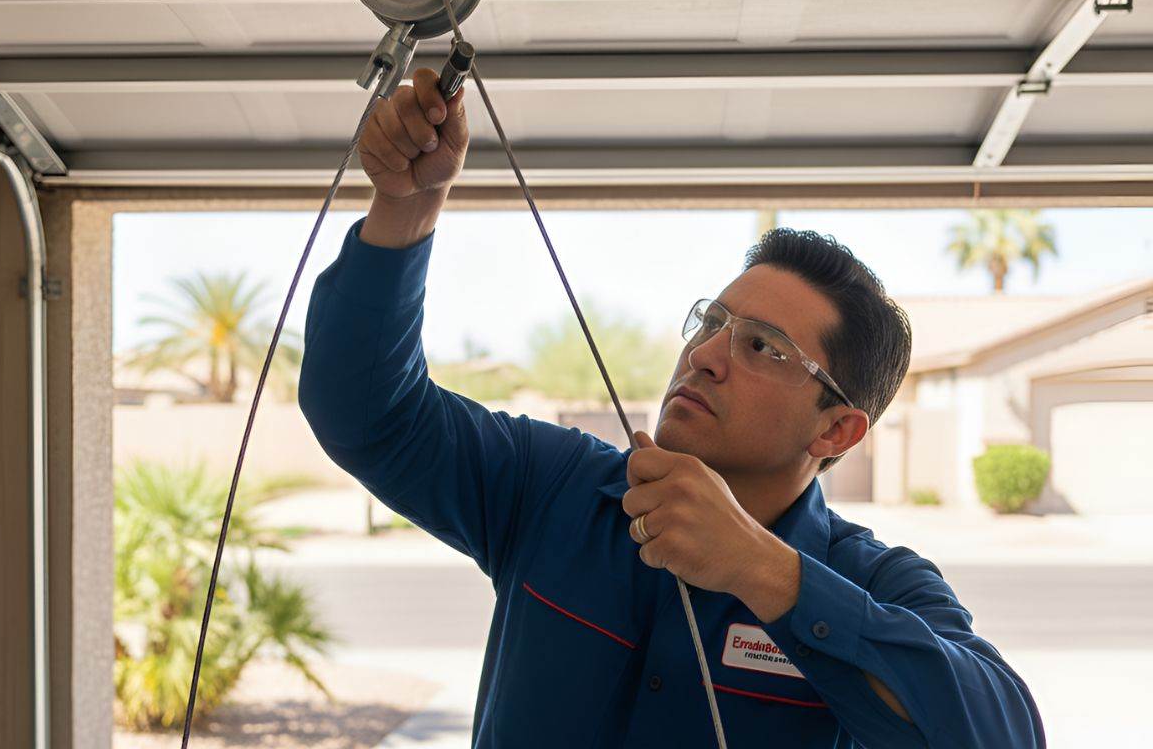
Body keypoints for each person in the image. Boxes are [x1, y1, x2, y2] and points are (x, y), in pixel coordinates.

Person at [298, 68, 1045, 748]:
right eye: (713, 323)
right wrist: (405, 206)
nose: (707, 354)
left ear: (837, 427)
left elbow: (1003, 736)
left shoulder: (881, 585)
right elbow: (364, 412)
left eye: (763, 347)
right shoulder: (554, 489)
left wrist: (766, 572)